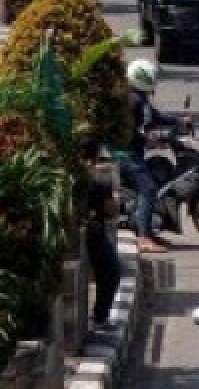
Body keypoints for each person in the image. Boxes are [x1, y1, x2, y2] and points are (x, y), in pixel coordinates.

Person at [123, 60, 179, 253]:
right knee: (148, 188)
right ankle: (144, 237)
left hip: (131, 152)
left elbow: (156, 117)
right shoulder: (134, 101)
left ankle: (148, 231)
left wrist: (180, 121)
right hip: (127, 155)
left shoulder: (136, 97)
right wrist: (150, 140)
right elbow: (137, 128)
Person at [82, 140, 120, 332]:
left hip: (83, 232)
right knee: (111, 271)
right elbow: (111, 211)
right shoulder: (98, 181)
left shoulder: (68, 178)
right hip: (94, 233)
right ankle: (100, 317)